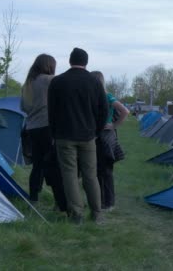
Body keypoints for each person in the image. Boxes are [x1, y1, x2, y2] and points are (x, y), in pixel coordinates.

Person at [48, 48, 108, 224]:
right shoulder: (94, 82)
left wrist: (54, 133)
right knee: (91, 175)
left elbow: (52, 111)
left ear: (69, 60)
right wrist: (96, 131)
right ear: (86, 62)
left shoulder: (58, 82)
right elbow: (103, 111)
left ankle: (77, 214)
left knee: (69, 175)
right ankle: (97, 213)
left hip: (64, 136)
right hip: (88, 136)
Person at [20, 54, 67, 212]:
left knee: (37, 166)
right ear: (49, 66)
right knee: (53, 167)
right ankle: (59, 203)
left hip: (31, 128)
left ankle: (33, 199)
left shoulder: (28, 83)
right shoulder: (50, 80)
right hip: (47, 128)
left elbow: (23, 107)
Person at [91, 71, 129, 212]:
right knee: (98, 171)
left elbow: (125, 111)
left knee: (105, 171)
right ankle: (103, 202)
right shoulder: (100, 97)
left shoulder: (107, 97)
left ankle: (108, 203)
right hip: (99, 136)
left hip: (105, 136)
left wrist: (114, 125)